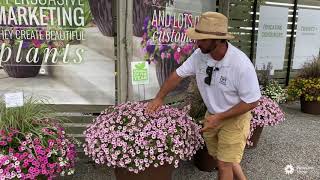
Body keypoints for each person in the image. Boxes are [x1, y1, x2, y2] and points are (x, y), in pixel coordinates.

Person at [146, 12, 261, 180]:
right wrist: (159, 97)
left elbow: (252, 101)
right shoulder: (199, 56)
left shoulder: (240, 65)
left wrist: (221, 117)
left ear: (218, 40)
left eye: (202, 39)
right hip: (213, 116)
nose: (197, 43)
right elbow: (177, 75)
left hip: (234, 118)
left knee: (223, 165)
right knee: (221, 158)